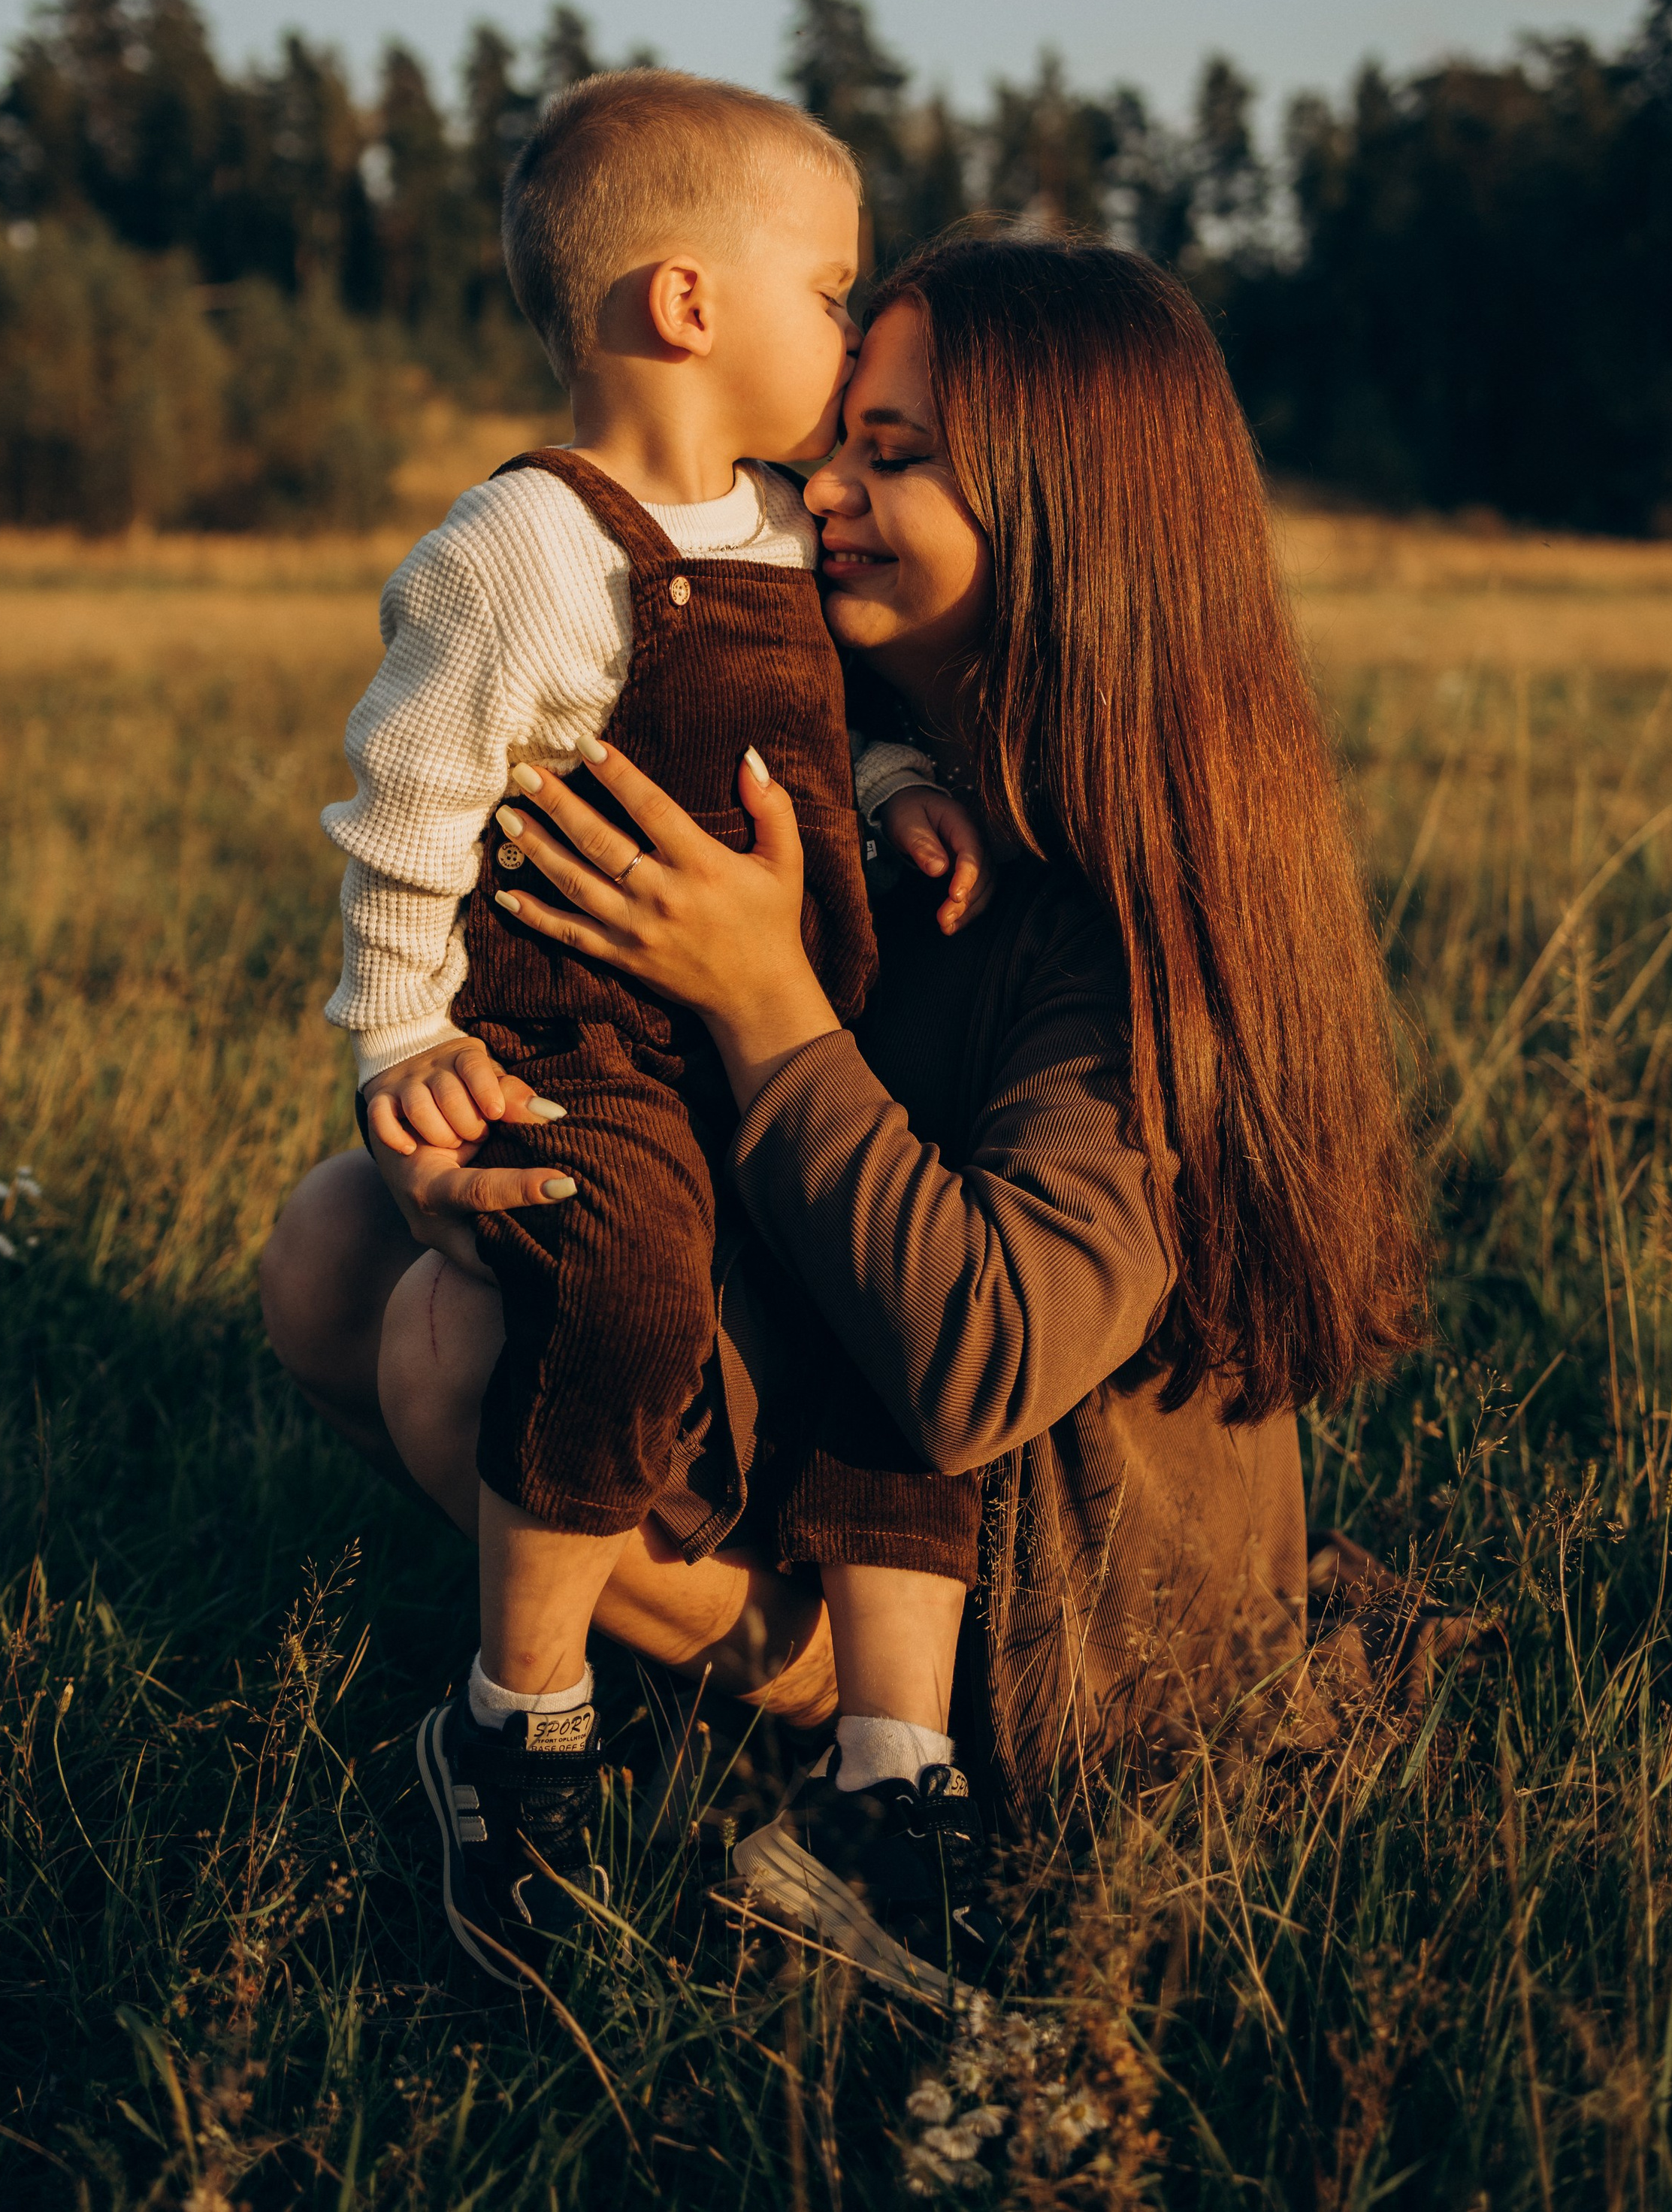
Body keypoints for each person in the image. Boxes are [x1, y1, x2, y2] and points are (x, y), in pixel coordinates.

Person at [264, 232, 1430, 1987]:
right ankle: (626, 1689)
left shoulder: (1135, 906)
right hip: (837, 1392)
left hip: (1036, 1586)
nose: (824, 487)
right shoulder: (844, 739)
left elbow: (981, 1361)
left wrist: (762, 988)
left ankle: (860, 1765)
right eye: (838, 441)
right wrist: (493, 1137)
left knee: (450, 1344)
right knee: (347, 1236)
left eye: (900, 457)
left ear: (1065, 510)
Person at [312, 68, 995, 1986]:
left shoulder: (783, 523)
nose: (854, 333)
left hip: (776, 1031)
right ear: (689, 303)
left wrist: (888, 790)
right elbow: (407, 807)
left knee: (876, 1296)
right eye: (833, 288)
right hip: (586, 1035)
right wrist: (393, 1048)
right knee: (622, 1277)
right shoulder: (520, 548)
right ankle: (517, 1722)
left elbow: (797, 735)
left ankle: (893, 1764)